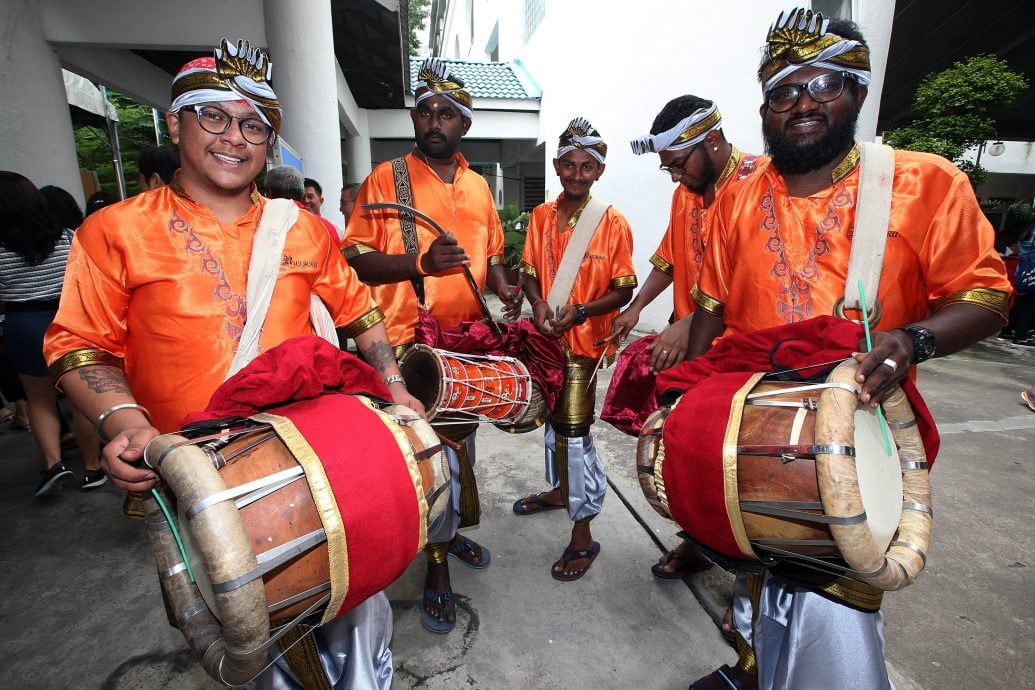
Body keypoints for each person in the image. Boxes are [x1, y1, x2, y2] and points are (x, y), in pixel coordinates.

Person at [43, 38, 422, 689]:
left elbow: (361, 314)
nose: (233, 138)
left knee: (353, 606)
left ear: (268, 141)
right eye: (212, 117)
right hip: (196, 471)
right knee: (243, 631)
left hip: (310, 456)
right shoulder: (114, 230)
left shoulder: (303, 228)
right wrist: (124, 423)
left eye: (252, 125)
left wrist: (393, 385)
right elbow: (79, 345)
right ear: (175, 123)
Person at [682, 9, 1011, 689]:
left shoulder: (925, 183)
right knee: (760, 573)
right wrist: (682, 401)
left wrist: (911, 340)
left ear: (858, 91)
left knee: (838, 615)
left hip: (860, 435)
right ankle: (754, 667)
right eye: (781, 92)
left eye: (822, 84)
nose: (800, 104)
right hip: (752, 429)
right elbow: (708, 318)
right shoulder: (734, 201)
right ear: (764, 107)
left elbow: (987, 296)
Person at [342, 58, 514, 634]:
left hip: (466, 343)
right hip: (405, 346)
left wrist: (505, 289)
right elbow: (354, 261)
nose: (433, 120)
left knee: (460, 449)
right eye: (425, 111)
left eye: (447, 113)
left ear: (463, 125)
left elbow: (488, 255)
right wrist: (419, 261)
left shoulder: (477, 184)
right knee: (426, 457)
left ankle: (449, 533)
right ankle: (436, 567)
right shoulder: (385, 178)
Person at [606, 96, 762, 582]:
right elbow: (669, 259)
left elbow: (751, 279)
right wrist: (634, 310)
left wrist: (685, 323)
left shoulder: (763, 184)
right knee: (690, 453)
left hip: (745, 349)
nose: (673, 176)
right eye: (666, 168)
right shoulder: (687, 192)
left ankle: (753, 577)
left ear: (710, 141)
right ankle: (700, 538)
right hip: (694, 344)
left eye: (677, 164)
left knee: (746, 464)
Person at [511, 117, 636, 581]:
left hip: (584, 344)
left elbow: (623, 289)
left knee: (576, 433)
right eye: (569, 165)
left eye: (587, 166)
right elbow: (526, 271)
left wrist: (582, 312)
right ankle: (563, 491)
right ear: (557, 165)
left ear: (599, 171)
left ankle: (583, 532)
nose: (577, 175)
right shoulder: (542, 216)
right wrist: (539, 302)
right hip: (545, 339)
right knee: (551, 421)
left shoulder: (612, 221)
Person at [0, 172, 104, 494]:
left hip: (22, 325)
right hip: (67, 319)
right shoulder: (67, 237)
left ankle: (52, 464)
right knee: (79, 395)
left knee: (39, 399)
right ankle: (92, 469)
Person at [265, 165, 340, 244]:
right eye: (305, 196)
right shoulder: (326, 227)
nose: (306, 200)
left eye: (310, 196)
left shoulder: (261, 222)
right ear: (301, 192)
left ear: (269, 192)